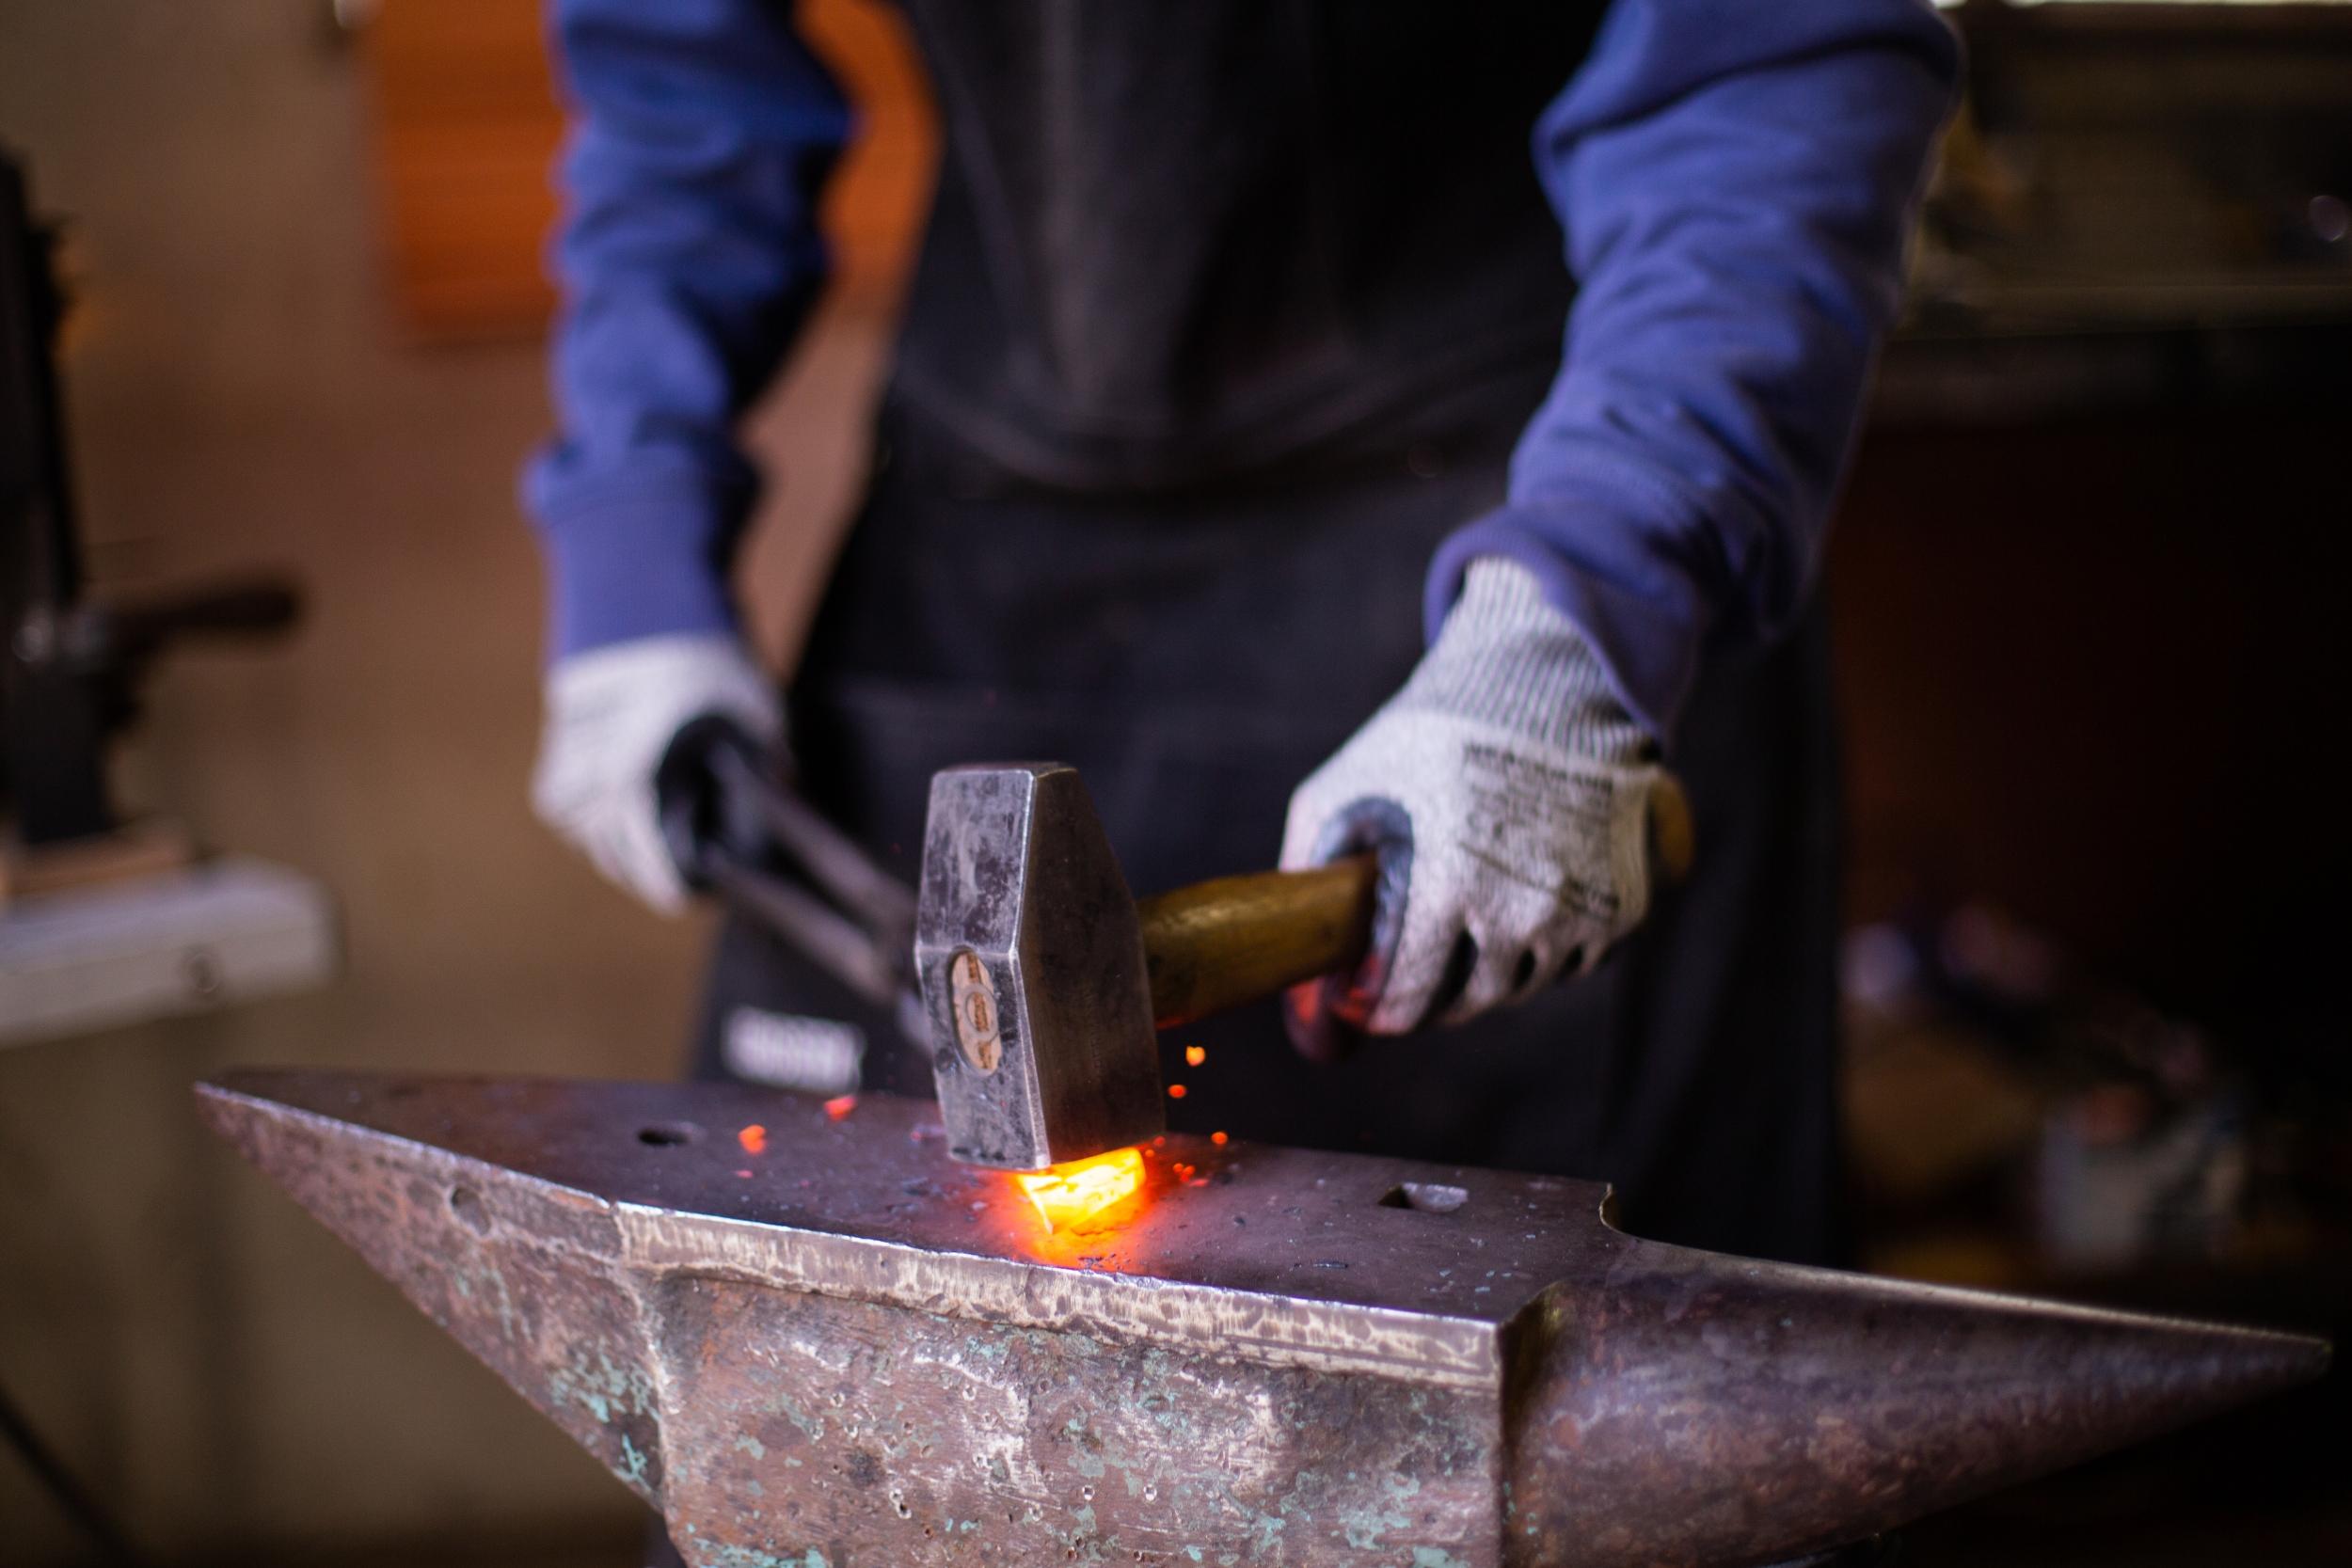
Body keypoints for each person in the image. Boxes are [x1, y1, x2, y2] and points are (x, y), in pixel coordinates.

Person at [526, 1, 1960, 1272]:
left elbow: (1766, 63)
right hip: (981, 549)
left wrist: (1580, 613)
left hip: (1534, 528)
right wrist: (632, 561)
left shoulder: (1574, 594)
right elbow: (673, 79)